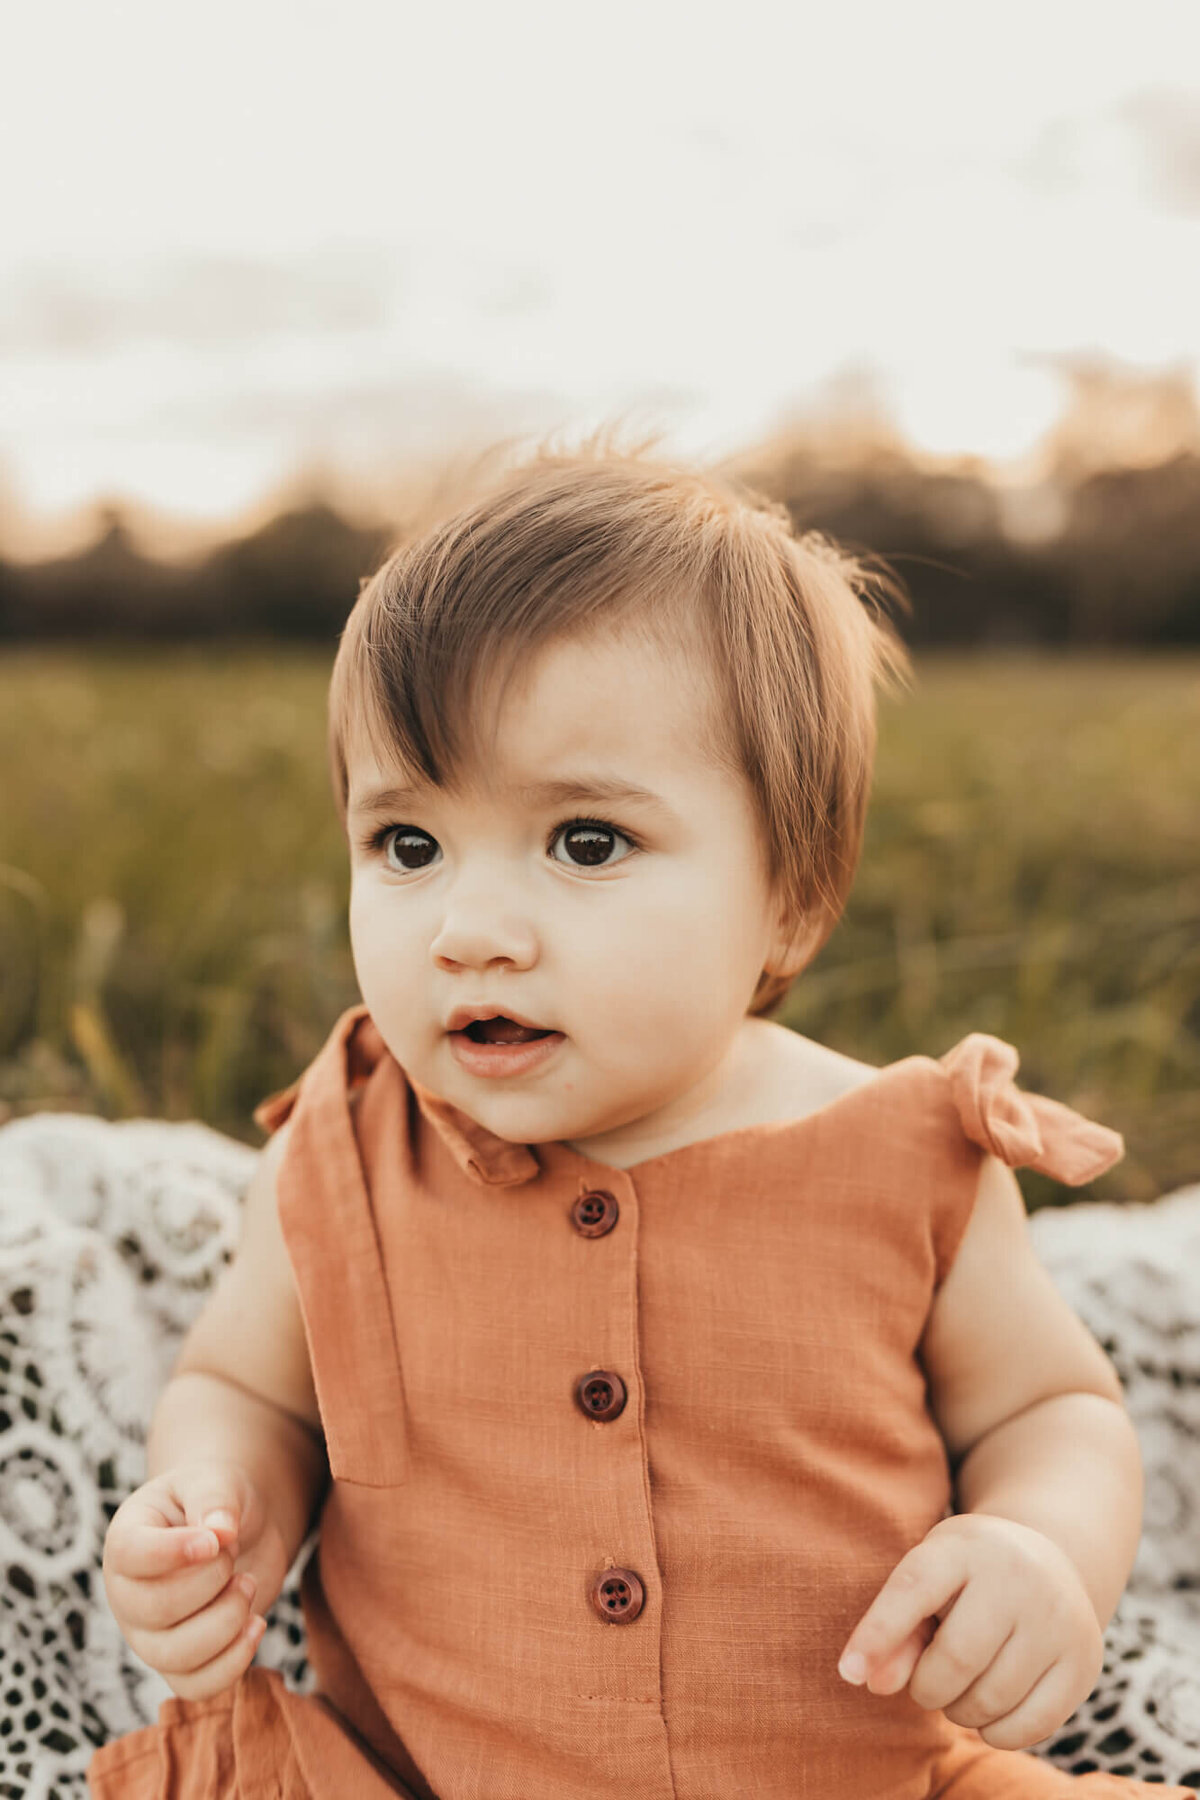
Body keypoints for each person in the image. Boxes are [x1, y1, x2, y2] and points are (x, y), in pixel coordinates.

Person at [88, 443, 1186, 1799]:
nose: (469, 931)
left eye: (587, 841)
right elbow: (247, 1389)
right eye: (408, 845)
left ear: (788, 897)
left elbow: (1051, 1406)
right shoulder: (346, 1147)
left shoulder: (910, 1154)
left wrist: (1042, 1548)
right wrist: (222, 1507)